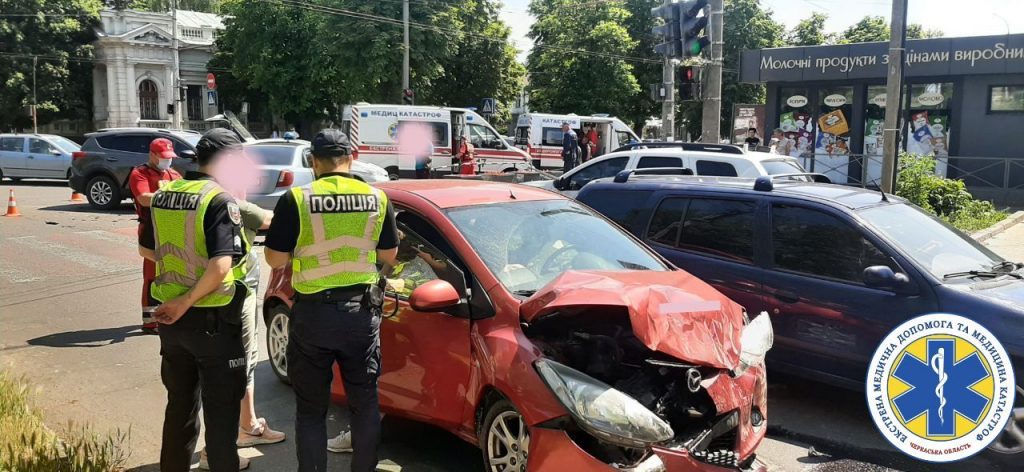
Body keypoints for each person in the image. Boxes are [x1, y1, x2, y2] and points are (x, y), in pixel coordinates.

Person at [264, 128, 399, 472]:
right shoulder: (376, 198)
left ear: (314, 162)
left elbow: (275, 260)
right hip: (360, 315)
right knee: (365, 404)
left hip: (313, 316)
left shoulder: (297, 199)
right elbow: (389, 253)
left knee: (311, 411)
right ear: (350, 159)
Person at [139, 128, 252, 471]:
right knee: (221, 416)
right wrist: (188, 298)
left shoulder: (165, 194)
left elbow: (146, 248)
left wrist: (180, 284)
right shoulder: (218, 199)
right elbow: (221, 266)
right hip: (212, 321)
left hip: (173, 323)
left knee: (180, 409)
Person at [194, 132, 286, 471]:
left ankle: (248, 426)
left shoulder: (190, 193)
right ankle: (213, 451)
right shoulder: (226, 200)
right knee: (228, 373)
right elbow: (268, 220)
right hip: (229, 296)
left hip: (218, 295)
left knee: (243, 365)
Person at [129, 138, 182, 335]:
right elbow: (143, 198)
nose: (167, 161)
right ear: (152, 155)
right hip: (151, 229)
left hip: (172, 228)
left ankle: (169, 314)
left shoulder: (173, 173)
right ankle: (150, 321)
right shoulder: (139, 173)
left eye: (170, 157)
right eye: (163, 157)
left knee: (174, 272)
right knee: (152, 275)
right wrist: (172, 197)